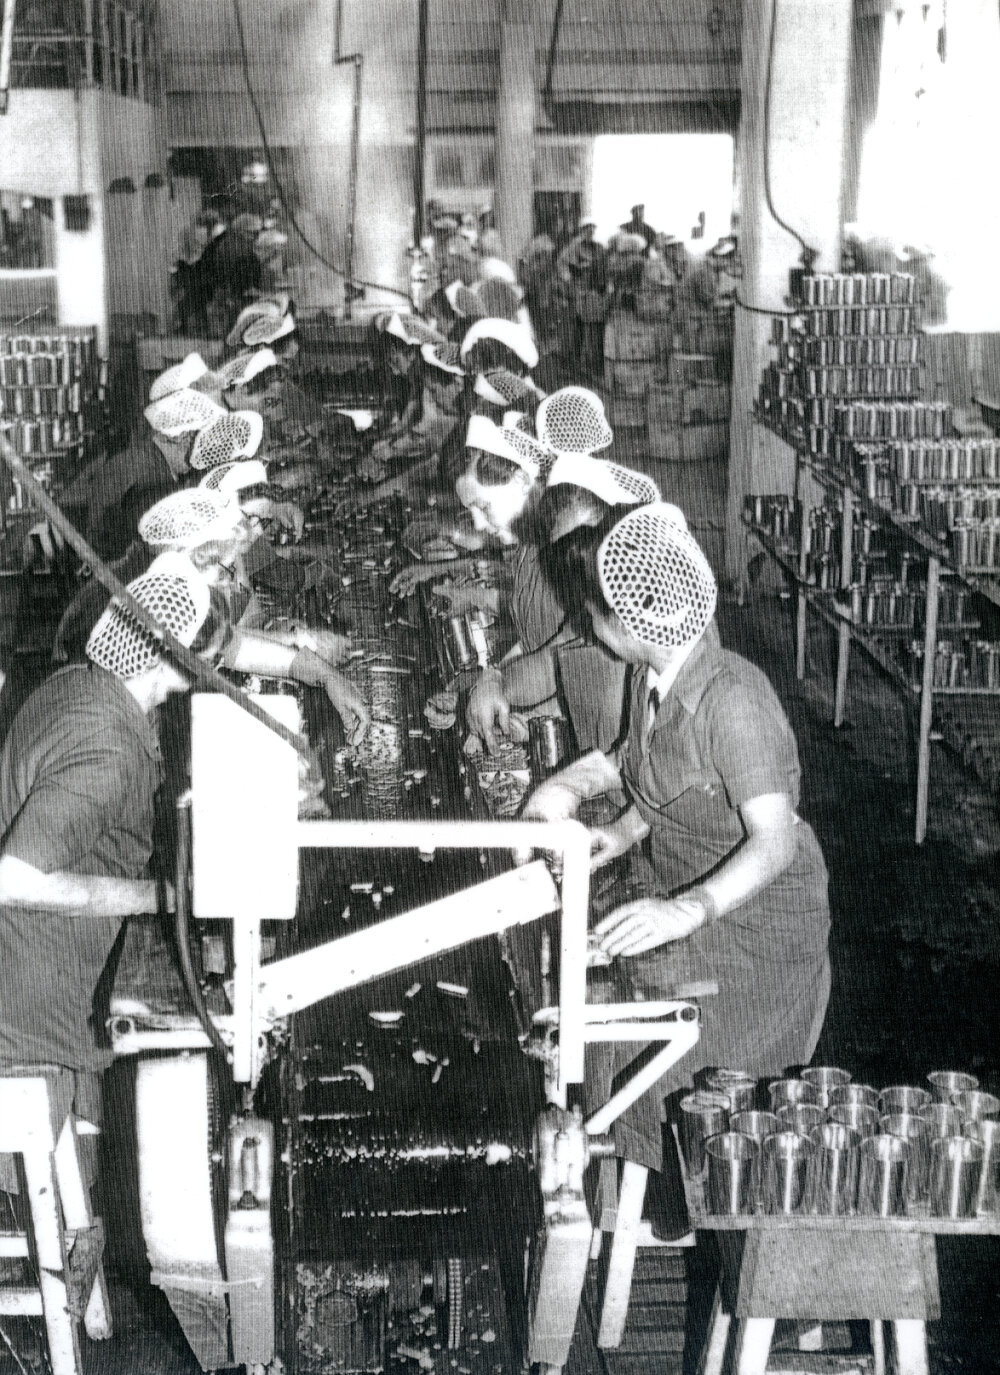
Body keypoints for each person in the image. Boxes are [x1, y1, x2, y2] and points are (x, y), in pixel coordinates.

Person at [523, 504, 831, 1218]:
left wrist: (685, 909)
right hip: (690, 883)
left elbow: (773, 839)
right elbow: (655, 767)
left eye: (590, 614)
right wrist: (620, 829)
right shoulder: (654, 674)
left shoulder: (734, 701)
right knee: (616, 1035)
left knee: (691, 1083)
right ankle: (643, 1186)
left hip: (758, 927)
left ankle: (697, 1203)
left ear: (625, 621)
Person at [0, 553, 233, 1194]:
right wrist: (156, 896)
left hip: (53, 973)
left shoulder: (88, 684)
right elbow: (14, 877)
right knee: (59, 1191)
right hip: (36, 1000)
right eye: (203, 654)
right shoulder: (107, 749)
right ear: (163, 656)